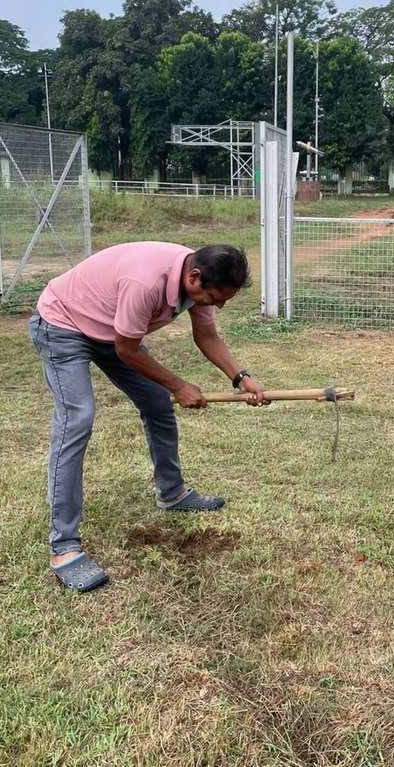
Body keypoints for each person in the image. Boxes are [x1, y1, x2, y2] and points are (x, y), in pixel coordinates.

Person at [28, 242, 266, 592]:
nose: (219, 305)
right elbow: (127, 349)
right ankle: (63, 547)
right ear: (194, 278)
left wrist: (239, 377)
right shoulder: (146, 282)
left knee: (156, 403)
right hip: (63, 325)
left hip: (111, 330)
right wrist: (179, 385)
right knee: (77, 419)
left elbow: (207, 334)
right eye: (216, 298)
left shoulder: (197, 275)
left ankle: (171, 493)